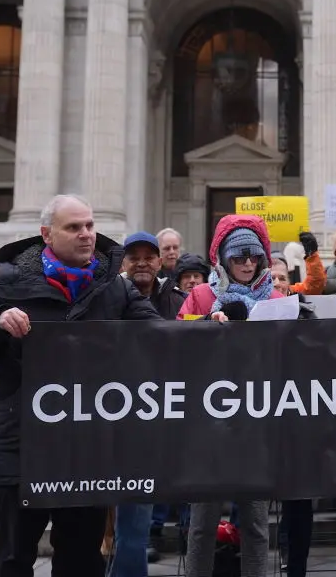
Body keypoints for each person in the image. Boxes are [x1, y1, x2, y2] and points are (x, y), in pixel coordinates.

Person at [0, 194, 162, 577]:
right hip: (22, 451)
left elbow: (159, 338)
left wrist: (207, 327)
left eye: (90, 225)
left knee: (81, 562)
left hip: (87, 452)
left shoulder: (115, 287)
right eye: (74, 227)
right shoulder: (9, 282)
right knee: (14, 561)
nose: (86, 235)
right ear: (47, 234)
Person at [178, 214, 284, 577]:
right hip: (207, 429)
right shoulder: (201, 295)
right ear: (223, 258)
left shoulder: (276, 298)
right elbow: (173, 345)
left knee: (255, 525)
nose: (247, 263)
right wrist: (209, 325)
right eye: (238, 257)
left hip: (257, 429)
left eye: (254, 256)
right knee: (202, 524)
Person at [114, 231, 188, 573]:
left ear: (160, 261)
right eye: (134, 257)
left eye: (149, 256)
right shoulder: (105, 297)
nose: (142, 263)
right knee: (129, 513)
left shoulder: (176, 299)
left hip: (169, 414)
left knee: (138, 514)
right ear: (122, 263)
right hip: (118, 418)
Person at [270, 231, 325, 297]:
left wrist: (312, 255)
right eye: (271, 279)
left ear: (288, 282)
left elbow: (314, 285)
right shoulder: (255, 297)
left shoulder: (292, 292)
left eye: (282, 279)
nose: (277, 283)